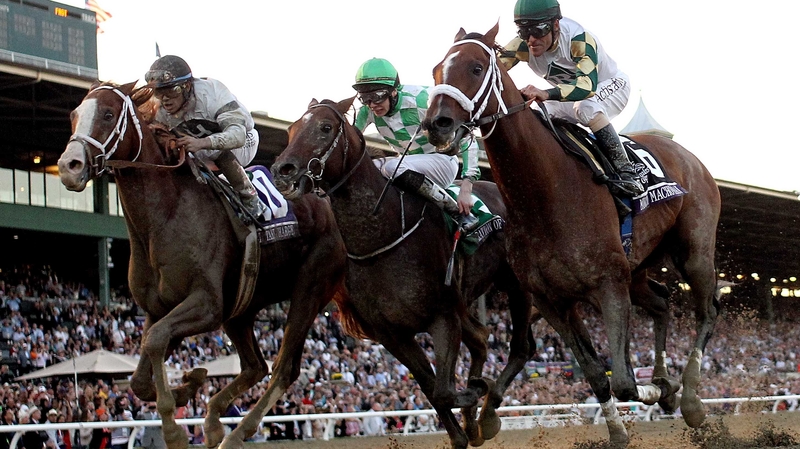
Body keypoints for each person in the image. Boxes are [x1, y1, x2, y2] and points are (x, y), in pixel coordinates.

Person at [500, 0, 644, 196]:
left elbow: (586, 87)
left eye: (538, 30)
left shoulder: (579, 38)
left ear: (555, 25)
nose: (532, 39)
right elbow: (491, 69)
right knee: (540, 113)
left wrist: (546, 93)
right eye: (524, 32)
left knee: (585, 107)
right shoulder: (523, 45)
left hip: (611, 85)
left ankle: (627, 171)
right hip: (571, 96)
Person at [352, 58, 481, 229]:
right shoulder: (367, 111)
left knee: (390, 168)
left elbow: (468, 140)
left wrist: (466, 188)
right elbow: (349, 141)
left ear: (393, 91)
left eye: (377, 96)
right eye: (365, 98)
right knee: (367, 169)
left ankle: (454, 210)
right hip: (408, 164)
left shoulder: (423, 100)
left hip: (442, 162)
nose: (372, 105)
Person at [143, 55, 267, 219]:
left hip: (243, 142)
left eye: (171, 91)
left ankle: (250, 198)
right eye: (159, 92)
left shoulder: (212, 93)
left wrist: (202, 143)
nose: (165, 99)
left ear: (187, 86)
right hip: (197, 145)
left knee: (216, 152)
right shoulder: (156, 106)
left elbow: (238, 136)